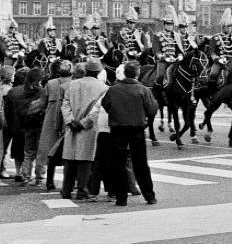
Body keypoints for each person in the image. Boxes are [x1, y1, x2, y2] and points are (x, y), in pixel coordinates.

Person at [102, 61, 158, 205]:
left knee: (118, 163)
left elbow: (106, 105)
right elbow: (152, 109)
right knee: (141, 163)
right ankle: (149, 195)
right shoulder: (143, 90)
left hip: (118, 128)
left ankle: (121, 197)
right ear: (137, 74)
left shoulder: (113, 89)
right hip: (137, 128)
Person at [60, 59, 107, 200]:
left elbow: (65, 104)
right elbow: (96, 111)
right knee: (85, 160)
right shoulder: (103, 88)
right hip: (89, 128)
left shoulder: (71, 85)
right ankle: (82, 189)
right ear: (98, 72)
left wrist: (69, 121)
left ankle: (66, 189)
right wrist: (83, 123)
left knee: (69, 159)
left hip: (71, 125)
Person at [37, 59, 72, 191]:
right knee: (69, 151)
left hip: (51, 119)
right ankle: (69, 183)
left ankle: (49, 181)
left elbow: (42, 103)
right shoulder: (73, 84)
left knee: (51, 151)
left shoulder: (50, 84)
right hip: (67, 118)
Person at [17, 68, 47, 186]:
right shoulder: (42, 91)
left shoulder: (23, 91)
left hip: (28, 124)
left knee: (28, 151)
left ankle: (26, 176)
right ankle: (39, 177)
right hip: (40, 123)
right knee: (40, 151)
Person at [206, 8, 232, 88]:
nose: (230, 28)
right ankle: (210, 91)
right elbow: (212, 52)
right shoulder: (215, 38)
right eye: (228, 26)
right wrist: (218, 59)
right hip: (220, 62)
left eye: (231, 26)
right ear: (223, 27)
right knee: (213, 73)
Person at [152, 6, 183, 93]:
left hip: (175, 61)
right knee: (160, 76)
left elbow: (179, 50)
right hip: (163, 61)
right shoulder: (157, 35)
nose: (170, 26)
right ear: (164, 24)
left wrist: (180, 56)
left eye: (171, 24)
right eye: (168, 24)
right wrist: (163, 57)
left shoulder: (176, 35)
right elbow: (156, 50)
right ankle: (156, 94)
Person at [0, 65, 15, 178]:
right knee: (4, 147)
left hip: (4, 120)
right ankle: (2, 168)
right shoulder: (7, 89)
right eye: (12, 74)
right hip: (5, 121)